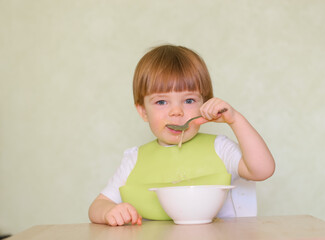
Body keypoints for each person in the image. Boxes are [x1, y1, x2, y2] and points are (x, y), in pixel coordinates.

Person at [88, 44, 275, 226]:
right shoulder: (133, 160)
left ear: (205, 105)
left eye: (189, 100)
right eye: (161, 102)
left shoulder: (220, 148)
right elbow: (97, 206)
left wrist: (235, 120)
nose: (176, 111)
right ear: (143, 111)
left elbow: (262, 170)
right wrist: (109, 212)